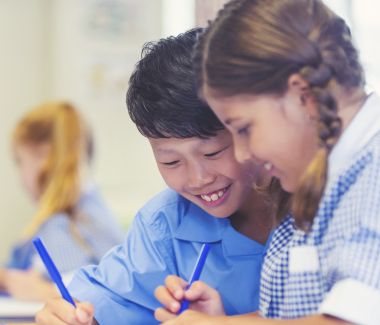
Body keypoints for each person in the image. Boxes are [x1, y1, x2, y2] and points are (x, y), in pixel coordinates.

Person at [35, 29, 287, 325]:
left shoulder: (314, 202)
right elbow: (106, 296)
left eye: (212, 153)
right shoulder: (166, 223)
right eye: (171, 161)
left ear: (247, 129)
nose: (198, 179)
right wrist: (71, 315)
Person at [155, 0, 380, 324]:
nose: (244, 153)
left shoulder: (372, 174)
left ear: (303, 97)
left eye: (245, 129)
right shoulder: (320, 183)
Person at [0, 101, 123, 301]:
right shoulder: (90, 212)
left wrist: (25, 286)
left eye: (19, 161)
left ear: (43, 155)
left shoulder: (62, 223)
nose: (20, 175)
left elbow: (79, 294)